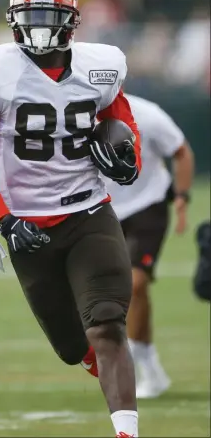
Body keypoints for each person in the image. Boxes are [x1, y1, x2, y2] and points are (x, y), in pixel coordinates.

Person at [0, 0, 142, 438]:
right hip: (27, 225)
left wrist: (127, 162)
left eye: (47, 17)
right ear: (14, 21)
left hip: (89, 211)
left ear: (71, 22)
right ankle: (95, 362)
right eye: (30, 18)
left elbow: (125, 130)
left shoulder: (101, 66)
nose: (39, 28)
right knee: (73, 346)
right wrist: (5, 220)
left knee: (108, 324)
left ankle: (127, 433)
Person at [104, 93, 194, 399]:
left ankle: (144, 369)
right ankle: (152, 368)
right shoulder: (73, 113)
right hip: (100, 210)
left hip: (148, 205)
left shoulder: (147, 114)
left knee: (136, 284)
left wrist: (181, 197)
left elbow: (181, 152)